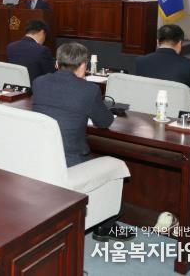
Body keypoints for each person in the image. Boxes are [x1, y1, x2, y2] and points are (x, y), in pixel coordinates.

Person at [32, 42, 132, 242]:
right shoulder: (88, 90)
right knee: (114, 165)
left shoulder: (39, 82)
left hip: (40, 157)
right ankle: (106, 226)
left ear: (56, 63)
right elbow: (105, 122)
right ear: (83, 66)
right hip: (70, 163)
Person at [135, 24, 190, 103]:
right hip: (176, 110)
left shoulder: (140, 61)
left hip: (146, 107)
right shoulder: (188, 65)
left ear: (157, 42)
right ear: (179, 43)